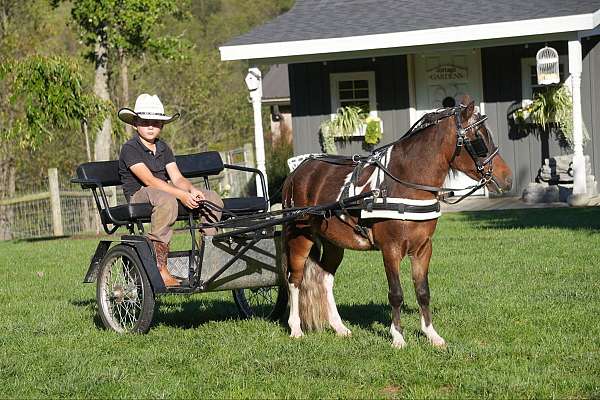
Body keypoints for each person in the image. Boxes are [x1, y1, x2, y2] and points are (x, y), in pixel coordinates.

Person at [118, 93, 223, 287]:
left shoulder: (164, 148)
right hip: (141, 194)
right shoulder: (129, 148)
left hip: (165, 192)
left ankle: (209, 258)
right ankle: (160, 266)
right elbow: (149, 180)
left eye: (156, 122)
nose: (150, 126)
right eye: (145, 121)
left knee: (212, 198)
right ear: (135, 124)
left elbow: (177, 178)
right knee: (166, 199)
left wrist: (191, 190)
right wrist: (181, 195)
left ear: (162, 125)